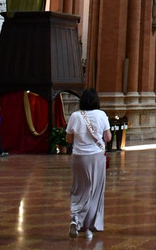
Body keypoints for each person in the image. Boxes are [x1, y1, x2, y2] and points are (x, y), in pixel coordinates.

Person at [67, 87, 110, 239]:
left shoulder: (75, 116)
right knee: (95, 191)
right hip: (97, 156)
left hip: (79, 156)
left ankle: (75, 219)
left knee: (78, 188)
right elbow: (108, 137)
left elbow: (69, 139)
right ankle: (89, 228)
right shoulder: (101, 115)